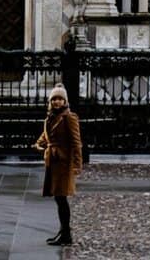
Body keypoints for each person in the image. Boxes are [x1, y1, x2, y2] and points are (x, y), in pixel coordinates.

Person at [34, 84, 84, 246]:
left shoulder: (69, 117)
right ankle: (63, 232)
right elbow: (47, 134)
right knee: (58, 198)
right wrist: (39, 143)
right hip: (53, 162)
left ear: (65, 101)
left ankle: (66, 234)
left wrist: (77, 164)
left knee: (61, 198)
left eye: (60, 99)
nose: (57, 101)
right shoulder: (51, 117)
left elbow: (77, 143)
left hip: (63, 163)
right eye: (54, 99)